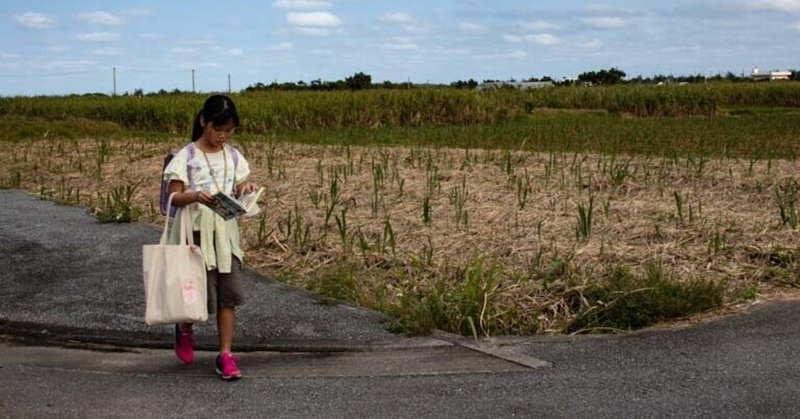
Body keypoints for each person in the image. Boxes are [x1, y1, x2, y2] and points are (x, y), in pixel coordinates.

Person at [163, 94, 258, 380]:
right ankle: (185, 329)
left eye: (229, 131)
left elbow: (239, 183)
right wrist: (193, 195)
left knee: (227, 296)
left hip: (225, 234)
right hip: (194, 234)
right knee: (194, 293)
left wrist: (246, 189)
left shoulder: (232, 155)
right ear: (204, 121)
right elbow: (173, 197)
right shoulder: (187, 156)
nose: (223, 136)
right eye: (218, 129)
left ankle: (225, 355)